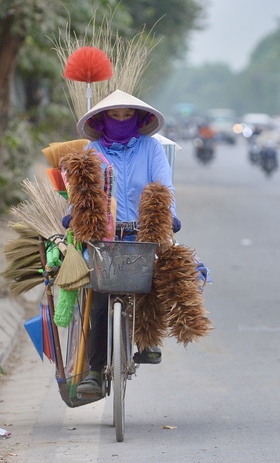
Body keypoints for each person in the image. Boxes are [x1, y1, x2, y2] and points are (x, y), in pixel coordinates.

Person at [69, 89, 180, 396]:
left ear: (138, 118)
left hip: (144, 231)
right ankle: (93, 371)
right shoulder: (91, 151)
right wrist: (72, 215)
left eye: (127, 115)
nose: (120, 120)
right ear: (102, 119)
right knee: (99, 295)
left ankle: (147, 341)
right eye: (114, 116)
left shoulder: (151, 149)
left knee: (152, 279)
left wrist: (169, 216)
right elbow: (82, 190)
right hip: (102, 235)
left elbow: (163, 184)